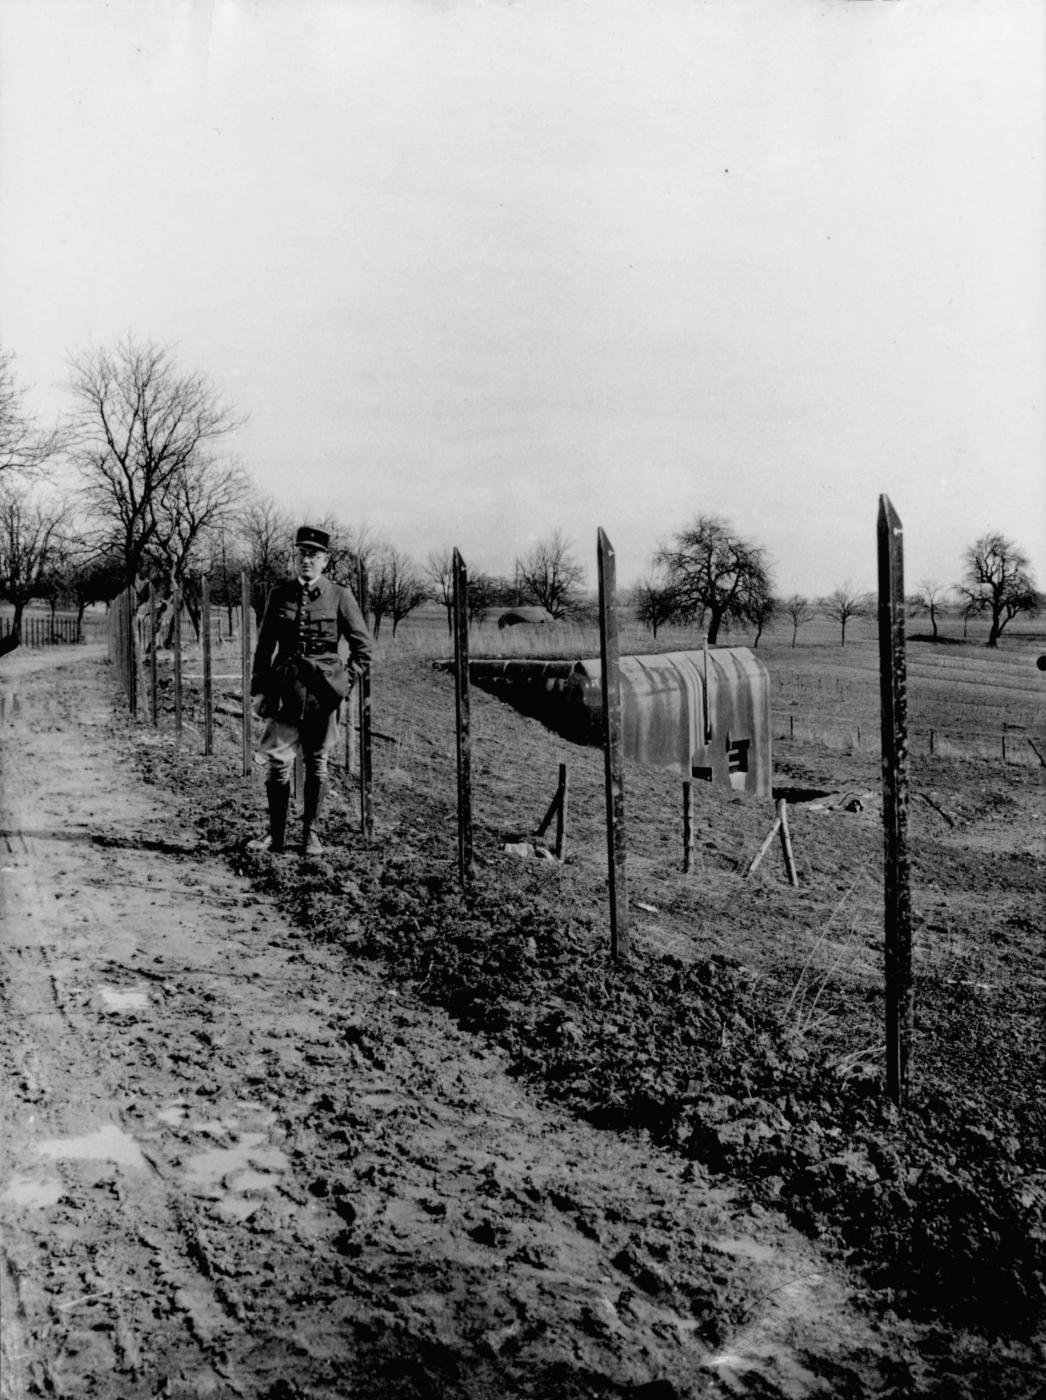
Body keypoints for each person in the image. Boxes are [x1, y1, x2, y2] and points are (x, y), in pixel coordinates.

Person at [248, 525, 373, 856]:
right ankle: (275, 835)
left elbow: (363, 649)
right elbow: (264, 648)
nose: (307, 560)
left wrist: (344, 684)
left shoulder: (340, 596)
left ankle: (310, 835)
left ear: (325, 561)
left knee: (317, 762)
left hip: (322, 694)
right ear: (295, 557)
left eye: (314, 555)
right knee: (278, 763)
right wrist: (259, 689)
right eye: (302, 554)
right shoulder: (279, 594)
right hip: (284, 691)